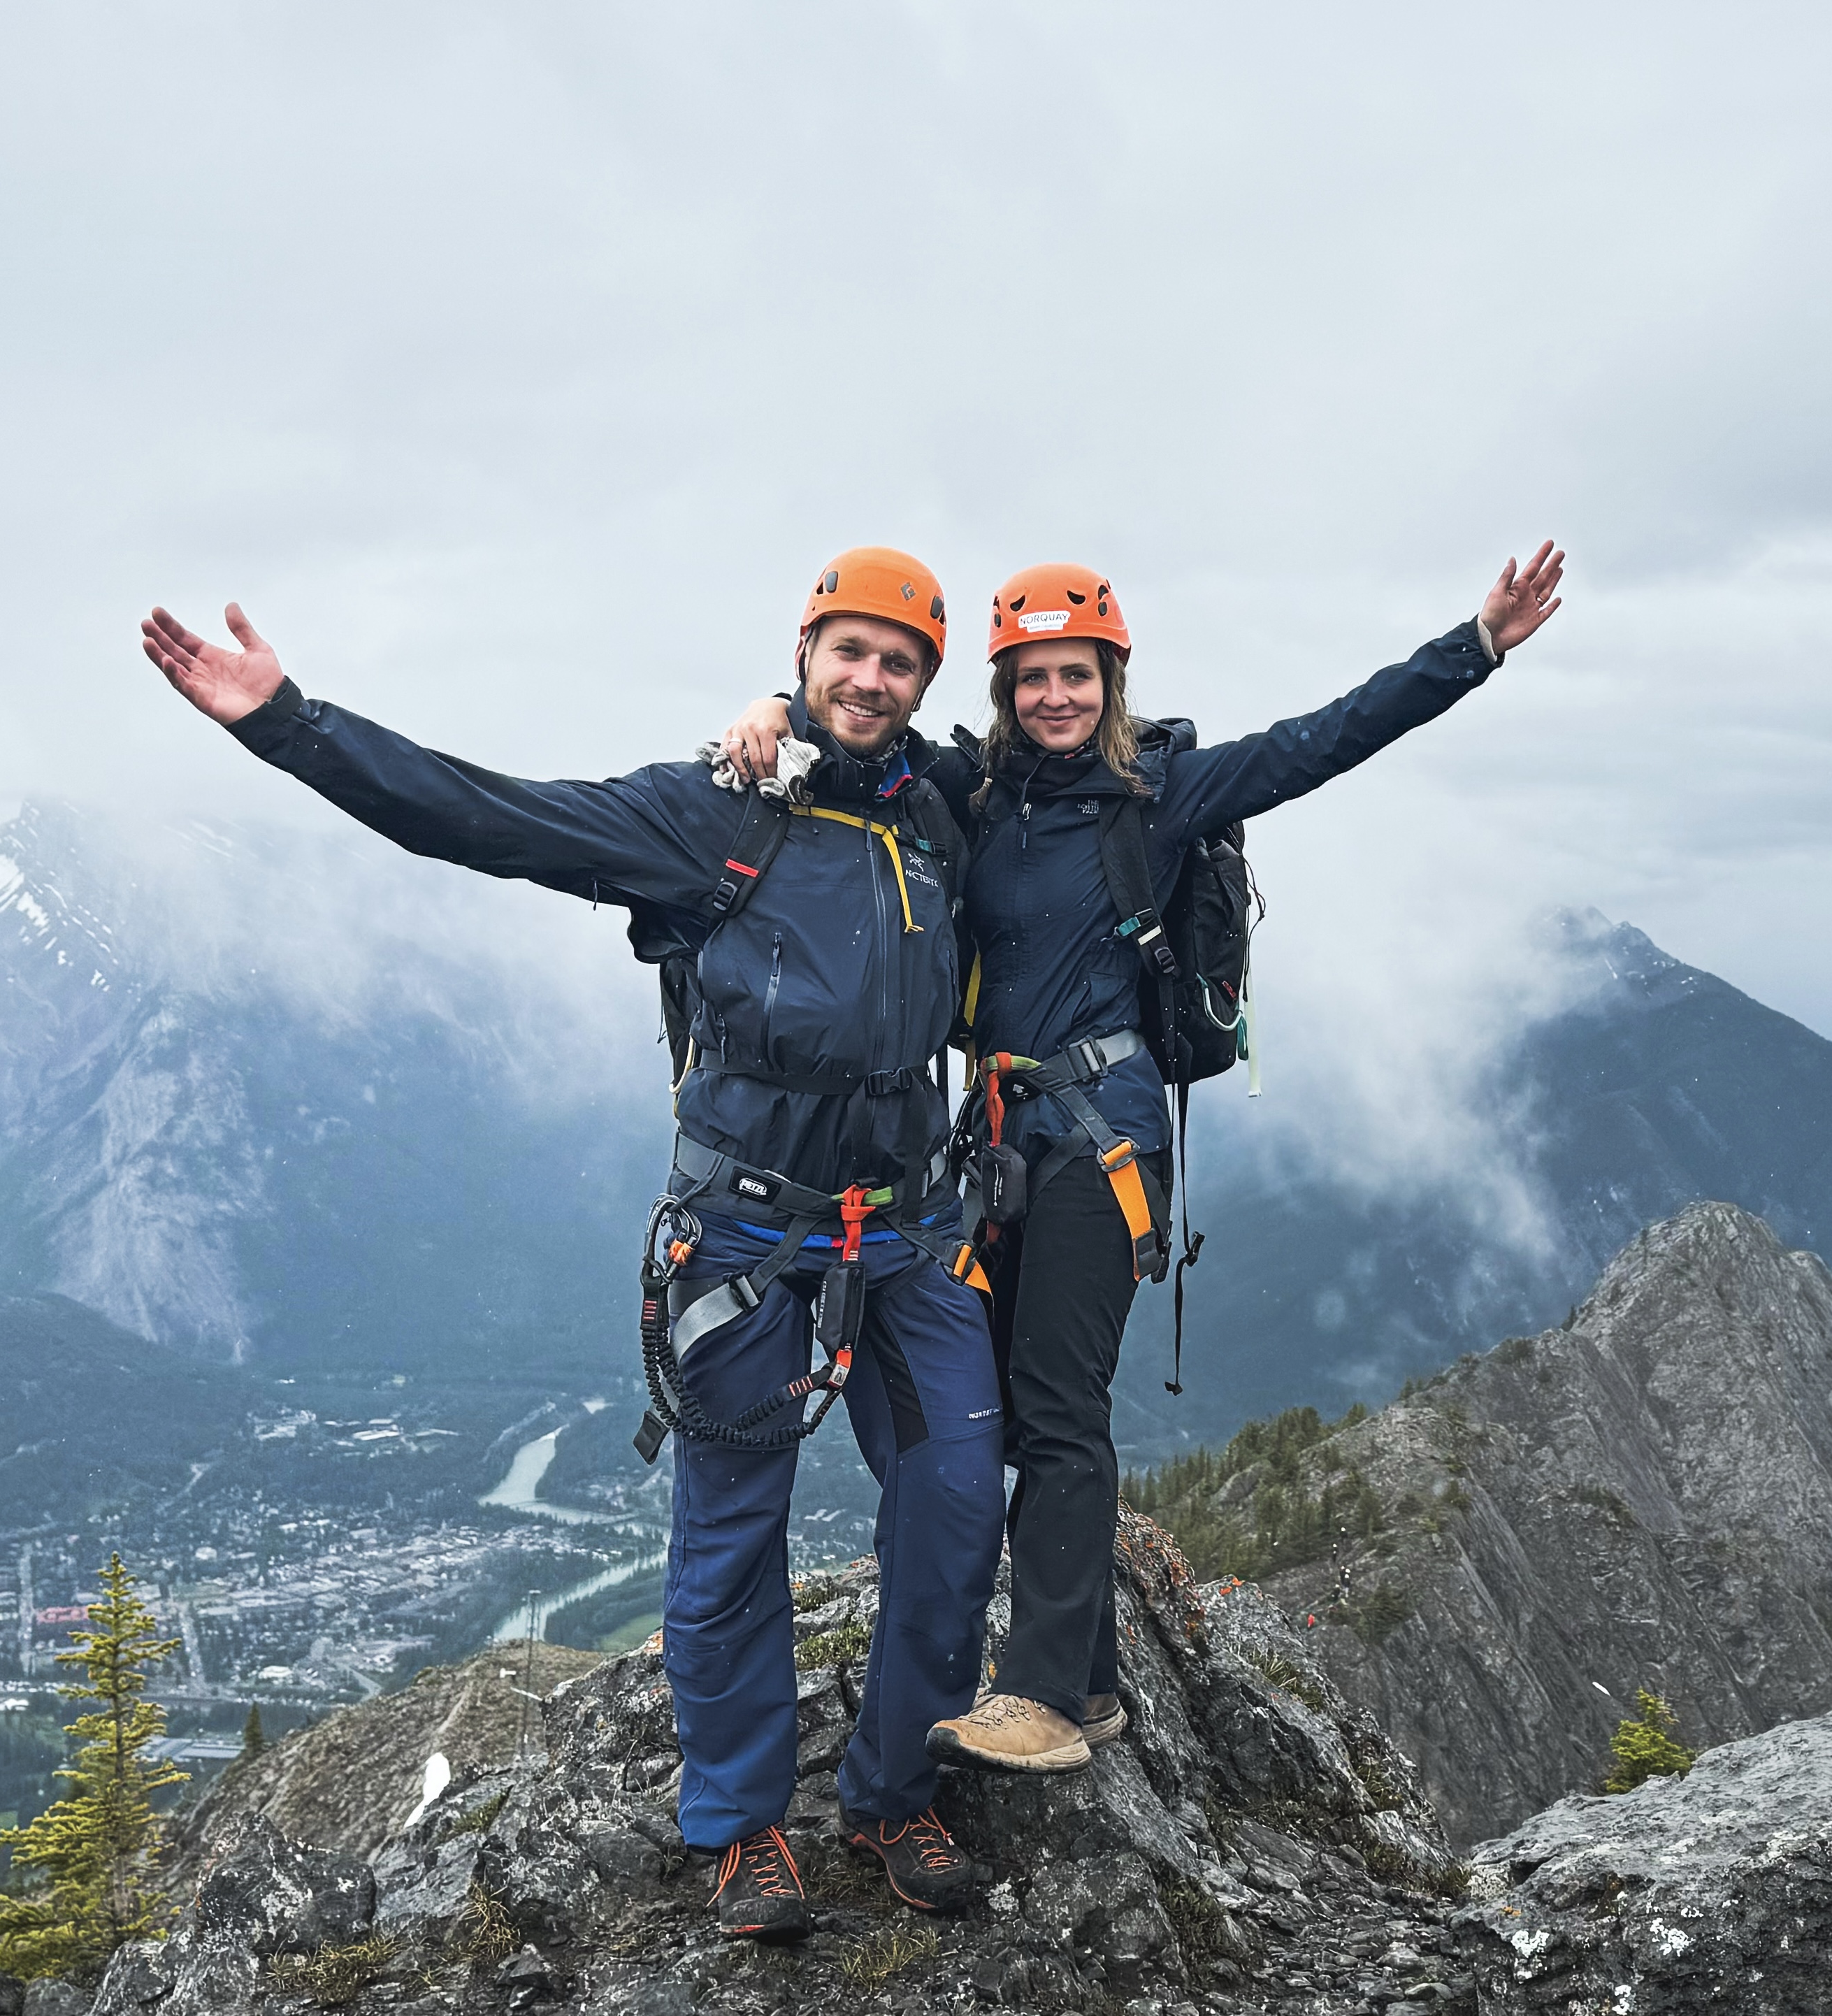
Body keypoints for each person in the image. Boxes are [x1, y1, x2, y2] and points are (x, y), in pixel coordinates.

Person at [140, 549, 1008, 1938]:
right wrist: (286, 722)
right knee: (731, 1534)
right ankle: (737, 1827)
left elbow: (1080, 784)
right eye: (846, 652)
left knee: (959, 1500)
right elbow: (487, 818)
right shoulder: (706, 819)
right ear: (805, 651)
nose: (869, 677)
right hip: (743, 1234)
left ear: (922, 683)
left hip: (903, 1232)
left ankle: (893, 1788)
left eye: (897, 660)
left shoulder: (942, 816)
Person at [721, 543, 1566, 1773]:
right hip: (997, 1143)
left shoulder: (1164, 795)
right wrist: (772, 710)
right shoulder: (977, 796)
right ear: (1005, 690)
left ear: (1110, 681)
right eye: (1030, 678)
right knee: (1003, 1409)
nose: (1052, 697)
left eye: (1075, 675)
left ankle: (1050, 1696)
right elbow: (865, 721)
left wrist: (1473, 647)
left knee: (1057, 1411)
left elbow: (1322, 739)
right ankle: (1099, 1680)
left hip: (1102, 1143)